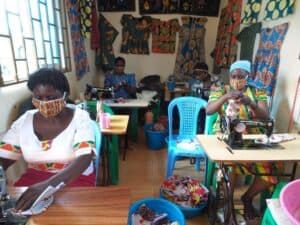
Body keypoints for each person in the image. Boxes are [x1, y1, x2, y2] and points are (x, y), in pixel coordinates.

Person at [0, 68, 97, 212]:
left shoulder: (80, 118)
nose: (44, 103)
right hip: (33, 181)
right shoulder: (24, 120)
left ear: (65, 95)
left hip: (74, 178)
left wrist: (48, 186)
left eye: (51, 97)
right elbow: (4, 157)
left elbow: (85, 158)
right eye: (38, 98)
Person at [206, 60, 280, 220]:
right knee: (229, 166)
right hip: (226, 136)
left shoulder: (258, 92)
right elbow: (208, 110)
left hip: (252, 137)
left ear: (248, 76)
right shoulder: (220, 89)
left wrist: (251, 103)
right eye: (233, 75)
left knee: (271, 170)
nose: (236, 78)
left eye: (241, 76)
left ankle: (247, 198)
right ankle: (228, 203)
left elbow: (265, 116)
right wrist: (225, 97)